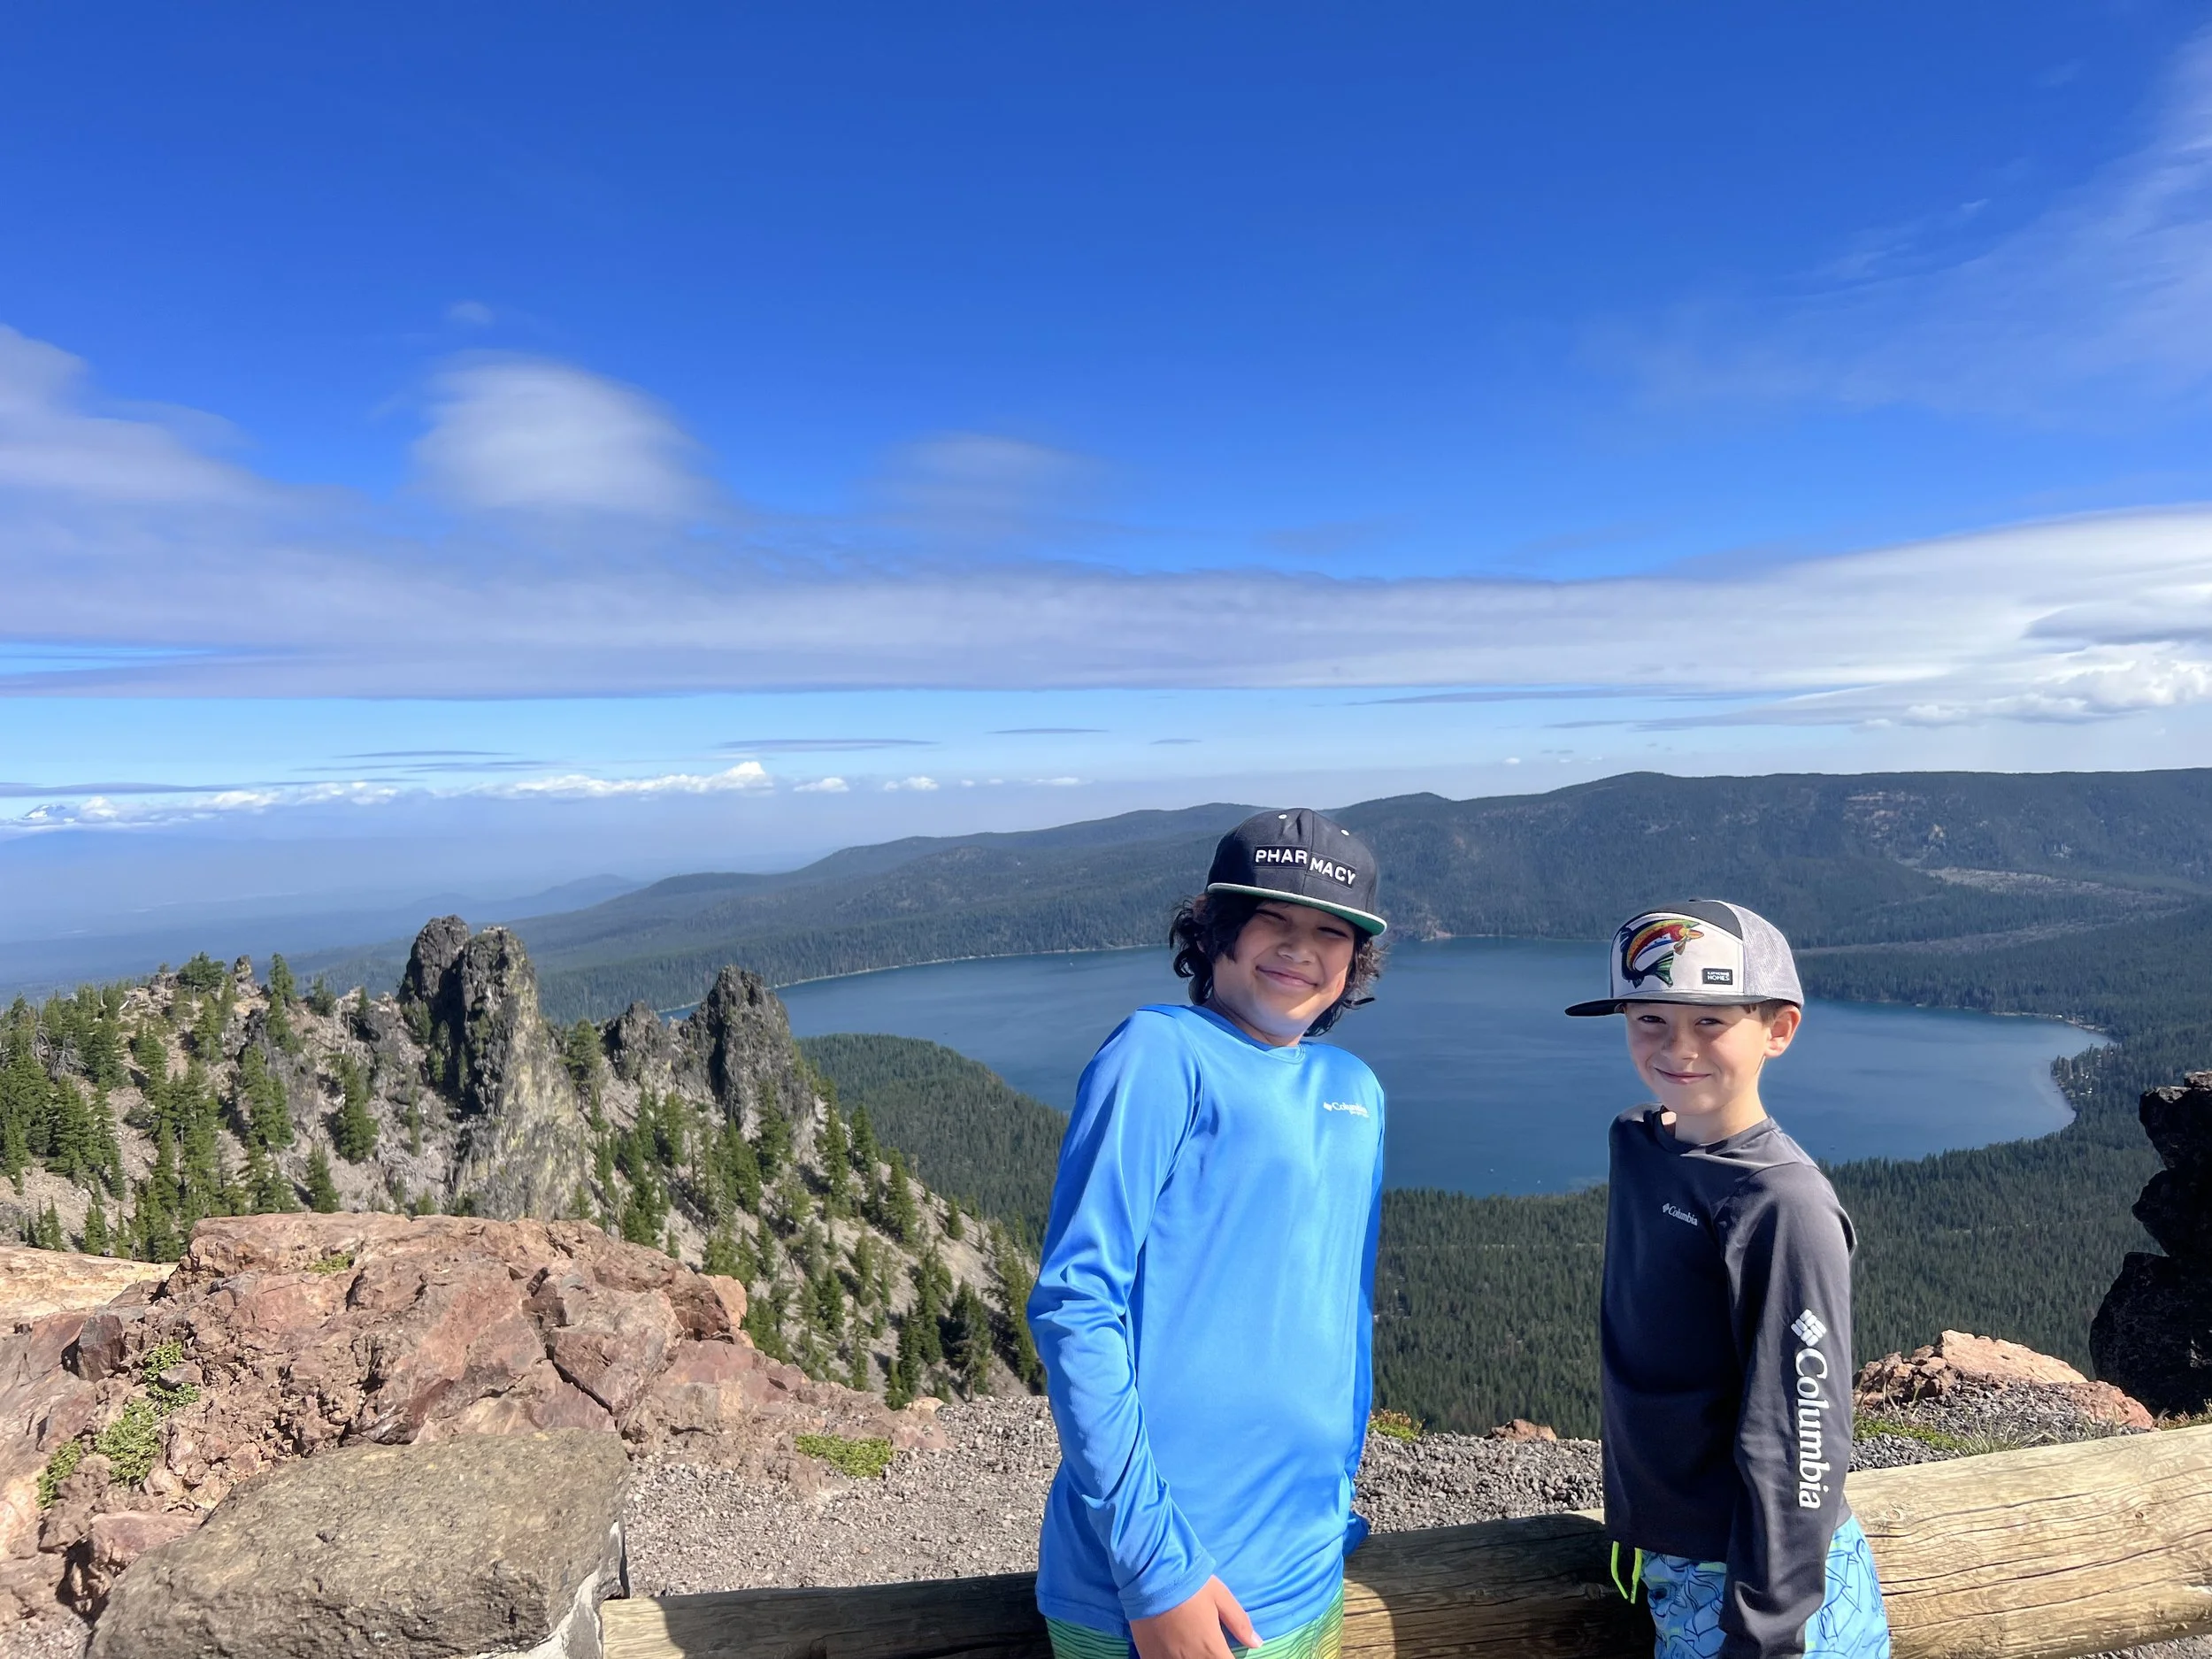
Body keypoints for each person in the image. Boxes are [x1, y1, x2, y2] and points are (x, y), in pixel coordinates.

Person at [1028, 808, 1390, 1659]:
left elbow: (1343, 1313)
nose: (1301, 946)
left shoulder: (1356, 1088)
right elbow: (1077, 1306)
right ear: (1216, 926)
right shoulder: (1159, 1053)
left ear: (1355, 958)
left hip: (1304, 1574)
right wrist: (1158, 1571)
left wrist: (1330, 1501)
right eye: (1273, 917)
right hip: (1160, 1589)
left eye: (1331, 929)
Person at [1565, 901, 1890, 1659]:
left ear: (1778, 1029)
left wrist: (1767, 1631)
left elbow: (1804, 1435)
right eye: (1648, 1019)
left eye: (1711, 1021)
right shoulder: (1642, 1144)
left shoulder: (1783, 1202)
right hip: (1678, 1563)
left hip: (1763, 1592)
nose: (1676, 1048)